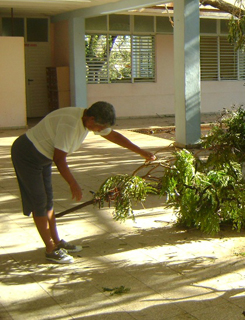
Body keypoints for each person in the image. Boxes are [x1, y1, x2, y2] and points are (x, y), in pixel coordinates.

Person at [11, 101, 156, 264]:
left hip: (42, 156)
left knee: (48, 200)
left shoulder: (86, 118)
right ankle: (50, 249)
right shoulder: (70, 125)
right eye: (99, 128)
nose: (101, 131)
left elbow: (113, 135)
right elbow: (59, 159)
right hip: (27, 155)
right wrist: (73, 184)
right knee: (39, 201)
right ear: (91, 119)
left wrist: (141, 152)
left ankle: (57, 242)